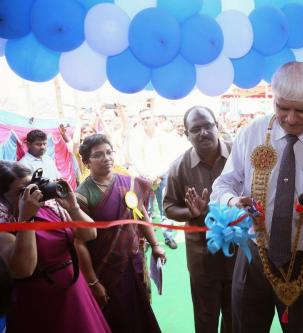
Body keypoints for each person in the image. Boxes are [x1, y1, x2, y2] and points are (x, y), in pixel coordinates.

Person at [210, 62, 303, 333]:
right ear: (273, 99)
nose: (291, 118)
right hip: (254, 255)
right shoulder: (252, 133)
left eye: (302, 110)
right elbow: (222, 185)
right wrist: (233, 202)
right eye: (282, 108)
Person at [0, 160, 110, 333]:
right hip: (38, 303)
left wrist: (73, 207)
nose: (33, 194)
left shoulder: (50, 208)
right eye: (22, 191)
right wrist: (26, 220)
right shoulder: (5, 222)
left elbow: (89, 234)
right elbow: (23, 269)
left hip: (74, 291)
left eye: (33, 186)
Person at [75, 134, 165, 333]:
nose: (106, 158)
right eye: (98, 155)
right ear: (87, 162)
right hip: (105, 268)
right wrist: (93, 282)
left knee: (140, 310)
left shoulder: (129, 183)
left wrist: (156, 245)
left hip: (133, 262)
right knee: (116, 318)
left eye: (108, 152)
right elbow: (79, 243)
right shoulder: (82, 195)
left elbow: (141, 217)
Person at [164, 106, 234, 333]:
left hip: (239, 252)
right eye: (195, 129)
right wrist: (191, 213)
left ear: (217, 126)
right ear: (187, 134)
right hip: (202, 257)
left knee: (236, 315)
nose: (203, 132)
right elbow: (168, 207)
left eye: (207, 126)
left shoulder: (238, 155)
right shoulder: (178, 167)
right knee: (206, 317)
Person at [128, 108, 178, 249]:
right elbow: (135, 158)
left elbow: (169, 157)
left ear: (154, 118)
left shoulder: (163, 136)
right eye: (142, 118)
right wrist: (146, 176)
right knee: (145, 209)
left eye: (147, 117)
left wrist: (158, 175)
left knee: (165, 208)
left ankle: (168, 237)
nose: (145, 120)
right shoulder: (137, 138)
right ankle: (148, 238)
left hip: (162, 177)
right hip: (144, 179)